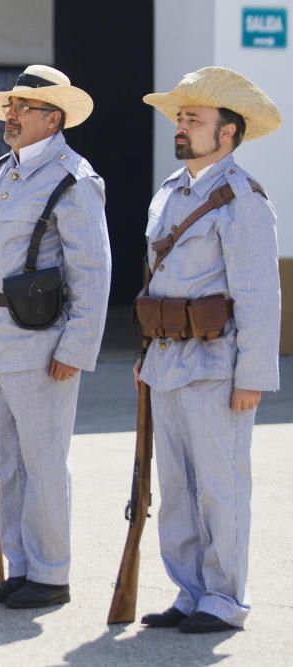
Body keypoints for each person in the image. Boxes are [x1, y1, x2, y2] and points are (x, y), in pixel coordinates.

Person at [136, 67, 281, 634]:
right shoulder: (169, 193)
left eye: (194, 119)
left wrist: (253, 377)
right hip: (166, 359)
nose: (181, 125)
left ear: (227, 133)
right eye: (180, 116)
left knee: (221, 487)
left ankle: (225, 597)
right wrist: (145, 358)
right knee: (176, 488)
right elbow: (156, 283)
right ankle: (190, 590)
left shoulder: (242, 200)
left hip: (217, 364)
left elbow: (258, 296)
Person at [0, 65, 110, 609]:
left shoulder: (73, 179)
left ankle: (52, 573)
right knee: (8, 461)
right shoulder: (1, 172)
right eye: (10, 105)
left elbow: (91, 272)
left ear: (53, 118)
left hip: (40, 342)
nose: (11, 115)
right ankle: (23, 567)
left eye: (23, 107)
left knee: (44, 460)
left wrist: (76, 348)